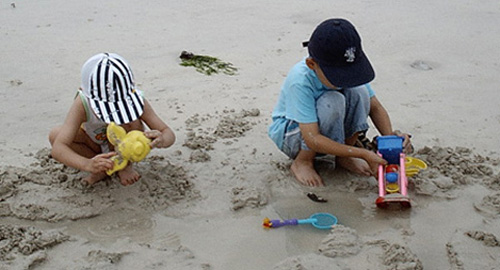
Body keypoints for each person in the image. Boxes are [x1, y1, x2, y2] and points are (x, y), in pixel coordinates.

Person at [268, 18, 413, 187]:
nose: (346, 80)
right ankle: (303, 162)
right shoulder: (300, 80)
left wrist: (390, 139)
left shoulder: (347, 70)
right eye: (339, 76)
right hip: (294, 135)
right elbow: (312, 137)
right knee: (333, 100)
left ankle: (344, 156)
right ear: (312, 64)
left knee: (360, 91)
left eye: (350, 73)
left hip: (326, 130)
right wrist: (363, 154)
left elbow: (375, 107)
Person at [49, 53, 175, 186]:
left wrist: (162, 140)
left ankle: (125, 166)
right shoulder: (82, 103)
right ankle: (101, 167)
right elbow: (58, 148)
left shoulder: (136, 100)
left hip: (126, 147)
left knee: (132, 122)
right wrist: (87, 164)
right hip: (94, 144)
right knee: (55, 135)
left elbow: (168, 133)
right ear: (83, 91)